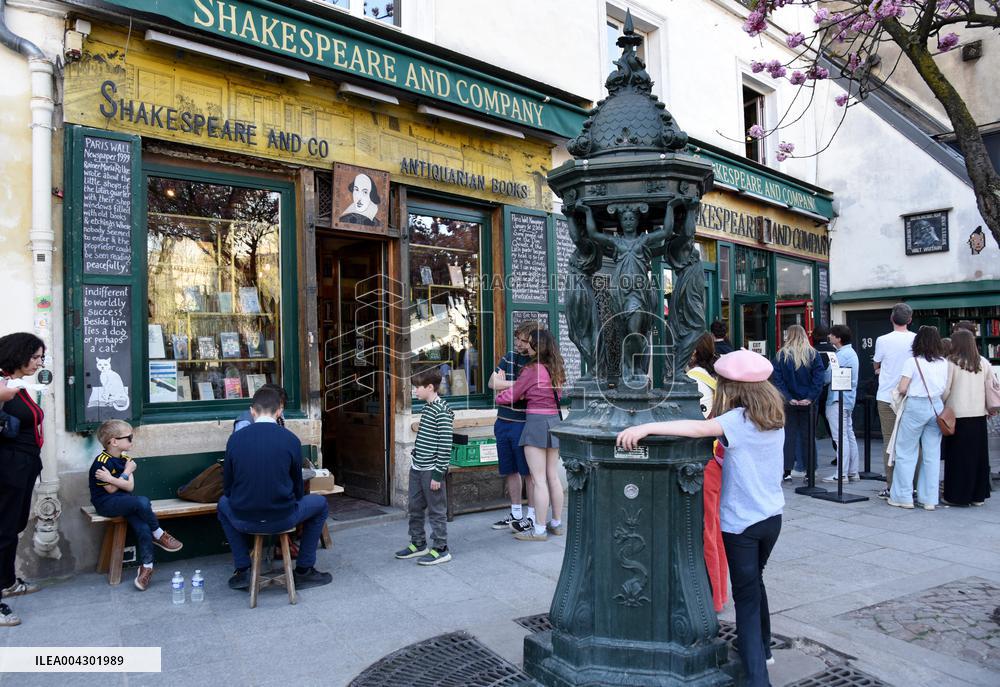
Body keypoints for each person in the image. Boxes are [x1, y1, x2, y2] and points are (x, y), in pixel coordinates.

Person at [617, 349, 784, 686]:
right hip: (771, 517)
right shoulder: (774, 417)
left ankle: (758, 678)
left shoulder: (737, 421)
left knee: (746, 599)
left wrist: (647, 426)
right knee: (756, 582)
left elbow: (695, 428)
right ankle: (764, 648)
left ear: (732, 388)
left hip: (742, 524)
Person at [219, 387, 332, 589]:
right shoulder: (291, 440)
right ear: (279, 411)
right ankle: (304, 569)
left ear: (252, 411)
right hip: (283, 516)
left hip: (244, 518)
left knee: (222, 504)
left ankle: (243, 569)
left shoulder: (235, 439)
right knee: (321, 504)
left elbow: (227, 486)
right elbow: (298, 489)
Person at [88, 420, 183, 591]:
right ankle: (159, 534)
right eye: (129, 437)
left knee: (143, 527)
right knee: (143, 501)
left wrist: (113, 478)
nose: (132, 440)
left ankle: (147, 567)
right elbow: (110, 490)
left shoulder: (127, 460)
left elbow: (129, 487)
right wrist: (125, 472)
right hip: (106, 503)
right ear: (114, 441)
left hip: (125, 501)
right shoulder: (102, 462)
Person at [496, 328, 566, 541]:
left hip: (536, 422)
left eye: (530, 342)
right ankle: (556, 523)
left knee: (539, 480)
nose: (526, 346)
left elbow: (513, 394)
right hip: (554, 421)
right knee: (553, 477)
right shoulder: (556, 367)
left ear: (537, 346)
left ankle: (539, 530)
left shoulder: (531, 369)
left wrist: (499, 396)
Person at [0, 333, 46, 627]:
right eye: (35, 357)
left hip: (24, 465)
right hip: (8, 466)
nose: (40, 363)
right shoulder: (3, 384)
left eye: (42, 357)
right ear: (18, 354)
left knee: (13, 526)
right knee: (2, 529)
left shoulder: (16, 383)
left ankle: (7, 581)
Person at [686, 332, 729, 614]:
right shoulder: (713, 378)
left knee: (705, 529)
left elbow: (696, 423)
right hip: (714, 459)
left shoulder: (695, 379)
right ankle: (718, 591)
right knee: (713, 526)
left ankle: (712, 595)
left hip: (703, 462)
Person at [395, 368, 455, 565]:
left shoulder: (442, 411)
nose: (414, 391)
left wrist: (438, 475)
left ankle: (441, 548)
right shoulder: (428, 408)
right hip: (418, 467)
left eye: (417, 387)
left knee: (436, 510)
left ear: (430, 387)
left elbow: (445, 446)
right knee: (415, 506)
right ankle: (418, 543)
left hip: (431, 471)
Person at [888, 326, 949, 510]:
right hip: (936, 406)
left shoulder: (912, 362)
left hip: (915, 406)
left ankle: (903, 497)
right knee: (932, 455)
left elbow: (902, 388)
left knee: (906, 452)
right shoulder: (943, 362)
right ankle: (929, 499)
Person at [487, 321, 535, 530]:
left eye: (523, 340)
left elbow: (530, 392)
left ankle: (531, 516)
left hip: (523, 424)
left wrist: (505, 386)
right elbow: (492, 383)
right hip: (502, 422)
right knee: (509, 470)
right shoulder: (509, 356)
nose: (518, 343)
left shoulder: (536, 362)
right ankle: (515, 513)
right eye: (517, 338)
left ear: (532, 341)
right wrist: (517, 385)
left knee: (528, 472)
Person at [942, 329, 992, 506]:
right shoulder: (983, 362)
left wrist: (942, 403)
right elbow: (990, 386)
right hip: (979, 414)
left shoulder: (951, 362)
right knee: (979, 457)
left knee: (958, 458)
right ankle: (978, 496)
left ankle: (958, 496)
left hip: (957, 415)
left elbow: (945, 389)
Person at [872, 304, 916, 499]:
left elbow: (877, 362)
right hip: (909, 394)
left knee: (889, 441)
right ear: (910, 320)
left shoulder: (883, 340)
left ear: (891, 318)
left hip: (887, 395)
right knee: (911, 442)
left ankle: (891, 485)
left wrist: (878, 369)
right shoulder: (916, 339)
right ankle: (912, 484)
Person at [771, 325, 825, 481]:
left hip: (789, 403)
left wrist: (788, 398)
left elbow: (777, 381)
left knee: (788, 436)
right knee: (809, 437)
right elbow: (818, 379)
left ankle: (786, 471)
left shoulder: (781, 355)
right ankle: (810, 471)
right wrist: (810, 397)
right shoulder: (813, 354)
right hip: (809, 403)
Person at [822, 325, 860, 483]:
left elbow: (827, 377)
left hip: (837, 399)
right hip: (848, 400)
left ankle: (841, 474)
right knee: (849, 435)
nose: (829, 336)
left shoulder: (841, 355)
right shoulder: (851, 353)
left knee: (840, 437)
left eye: (832, 334)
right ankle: (852, 471)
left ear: (838, 338)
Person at [811, 325, 838, 458]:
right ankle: (839, 455)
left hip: (814, 393)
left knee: (811, 426)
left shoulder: (812, 352)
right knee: (833, 427)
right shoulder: (834, 351)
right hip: (830, 392)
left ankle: (810, 457)